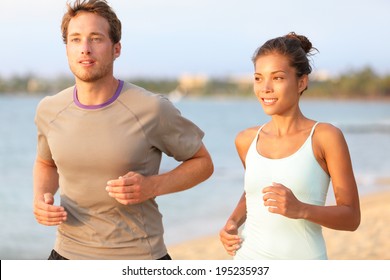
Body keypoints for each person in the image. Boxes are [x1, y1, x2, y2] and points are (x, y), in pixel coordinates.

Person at [33, 0, 213, 260]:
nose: (85, 49)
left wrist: (153, 186)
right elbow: (45, 162)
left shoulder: (152, 108)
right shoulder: (49, 109)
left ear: (116, 49)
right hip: (66, 254)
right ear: (67, 49)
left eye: (96, 38)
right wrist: (41, 199)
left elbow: (203, 163)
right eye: (75, 39)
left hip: (138, 257)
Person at [219, 32, 360, 260]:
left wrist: (301, 209)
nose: (265, 87)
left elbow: (352, 218)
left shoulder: (325, 137)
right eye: (258, 78)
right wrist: (233, 221)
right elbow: (253, 192)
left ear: (301, 82)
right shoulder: (246, 140)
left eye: (277, 78)